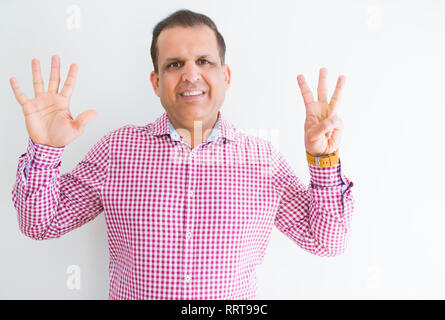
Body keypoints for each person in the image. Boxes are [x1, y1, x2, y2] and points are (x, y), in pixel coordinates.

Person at [10, 9, 354, 300]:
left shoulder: (262, 160)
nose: (191, 74)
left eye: (204, 61)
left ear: (226, 76)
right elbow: (40, 224)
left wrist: (323, 160)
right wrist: (46, 148)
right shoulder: (117, 151)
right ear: (156, 82)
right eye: (175, 64)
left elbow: (328, 243)